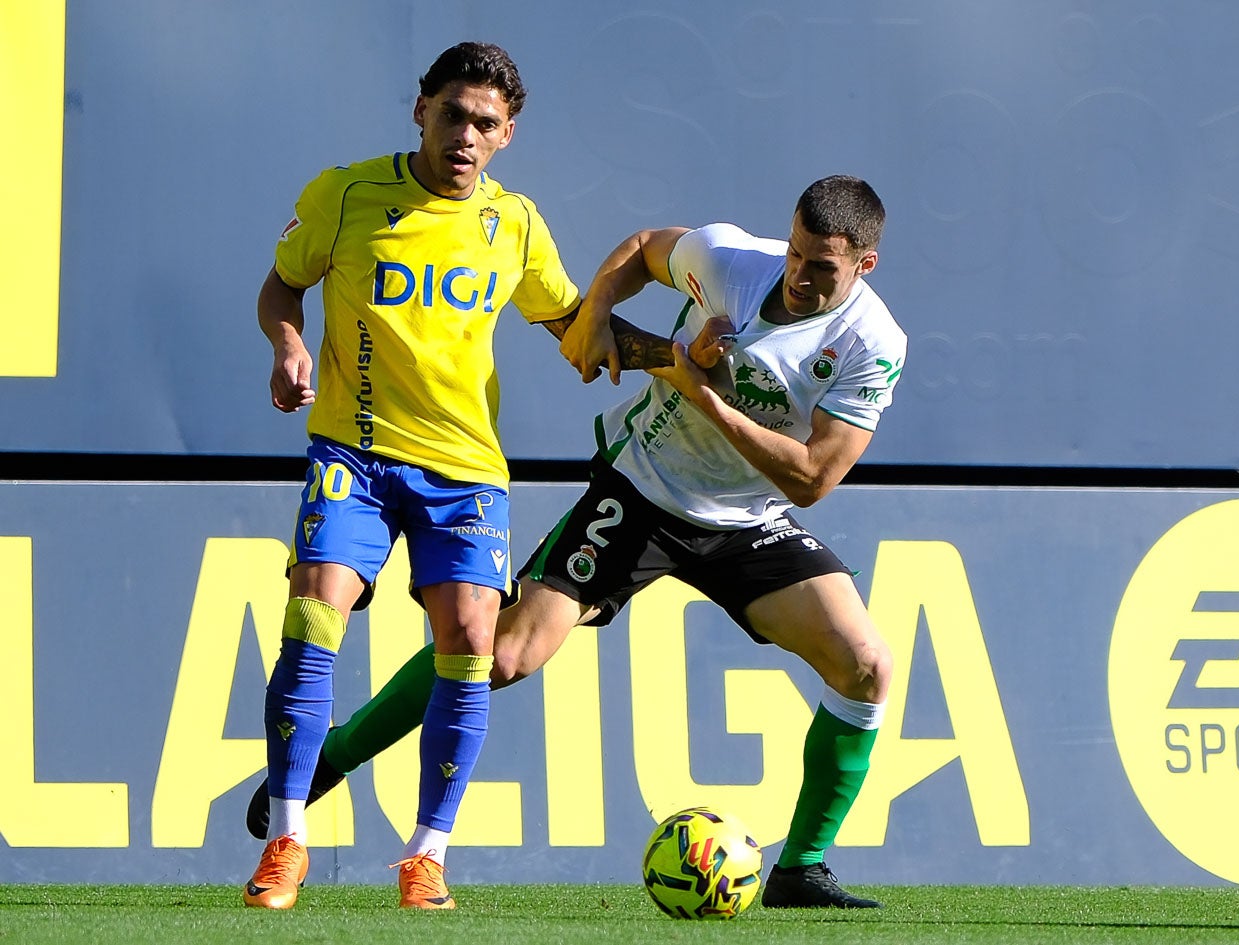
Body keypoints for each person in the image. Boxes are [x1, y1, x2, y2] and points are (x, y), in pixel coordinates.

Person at [247, 175, 907, 908]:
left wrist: (705, 394)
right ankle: (331, 756)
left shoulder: (872, 343)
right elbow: (642, 249)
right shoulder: (731, 261)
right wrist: (596, 309)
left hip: (748, 519)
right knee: (500, 655)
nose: (798, 273)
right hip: (642, 489)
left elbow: (813, 478)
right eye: (794, 252)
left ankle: (801, 867)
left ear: (863, 265)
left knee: (866, 665)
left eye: (822, 266)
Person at [244, 40, 675, 912]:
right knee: (312, 611)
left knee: (474, 640)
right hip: (354, 454)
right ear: (420, 111)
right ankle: (287, 840)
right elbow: (280, 289)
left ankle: (425, 855)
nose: (464, 137)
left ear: (507, 134)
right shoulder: (347, 193)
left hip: (466, 468)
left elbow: (571, 326)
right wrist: (289, 346)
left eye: (485, 123)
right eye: (452, 116)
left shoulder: (513, 223)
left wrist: (679, 361)